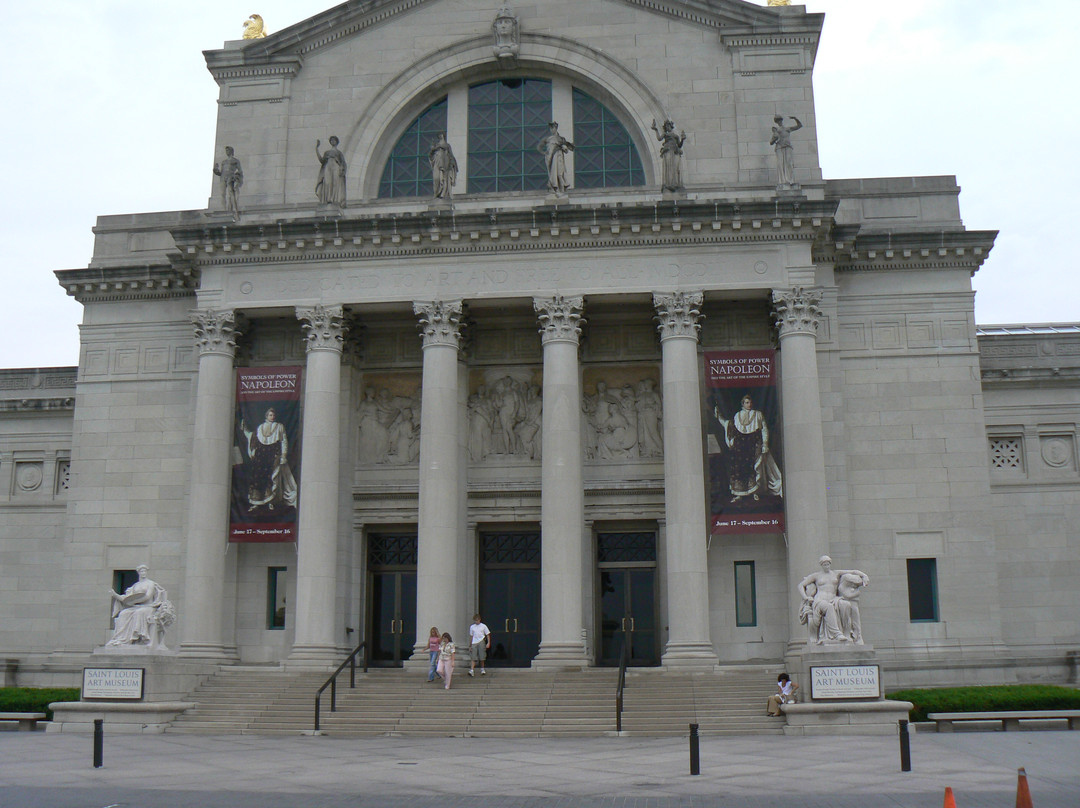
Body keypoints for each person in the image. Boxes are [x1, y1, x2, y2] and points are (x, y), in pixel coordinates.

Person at [714, 394, 783, 503]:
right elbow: (729, 426)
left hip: (754, 444)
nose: (749, 404)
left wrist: (765, 443)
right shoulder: (737, 415)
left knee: (755, 469)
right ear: (743, 404)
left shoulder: (758, 415)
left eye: (750, 402)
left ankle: (755, 493)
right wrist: (719, 418)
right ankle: (739, 495)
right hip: (741, 447)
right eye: (746, 402)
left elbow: (764, 429)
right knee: (739, 471)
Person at [797, 556, 870, 644]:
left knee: (845, 605)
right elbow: (801, 585)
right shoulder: (816, 576)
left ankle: (847, 634)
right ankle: (837, 634)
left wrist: (864, 576)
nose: (826, 566)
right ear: (821, 565)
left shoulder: (836, 573)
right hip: (820, 600)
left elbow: (853, 571)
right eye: (824, 564)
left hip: (834, 599)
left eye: (828, 564)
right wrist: (806, 597)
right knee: (828, 607)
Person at [240, 407, 298, 512]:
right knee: (258, 479)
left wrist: (283, 455)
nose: (272, 417)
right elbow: (253, 438)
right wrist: (245, 430)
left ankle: (271, 502)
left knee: (272, 478)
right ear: (266, 416)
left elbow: (283, 441)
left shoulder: (279, 427)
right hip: (261, 456)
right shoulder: (260, 427)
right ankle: (256, 503)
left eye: (273, 415)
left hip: (273, 454)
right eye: (270, 415)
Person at [105, 565, 175, 649]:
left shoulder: (150, 584)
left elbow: (147, 596)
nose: (143, 573)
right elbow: (126, 599)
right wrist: (115, 595)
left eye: (145, 571)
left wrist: (135, 601)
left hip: (149, 607)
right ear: (138, 573)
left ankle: (140, 637)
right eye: (142, 571)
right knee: (124, 613)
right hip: (136, 607)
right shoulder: (135, 586)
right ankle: (121, 639)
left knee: (140, 612)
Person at [537, 122, 574, 194]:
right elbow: (539, 147)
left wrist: (564, 148)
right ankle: (555, 187)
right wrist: (544, 153)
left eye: (553, 128)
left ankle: (561, 188)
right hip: (551, 158)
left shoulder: (561, 139)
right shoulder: (547, 139)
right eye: (550, 128)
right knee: (553, 172)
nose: (551, 130)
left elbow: (567, 150)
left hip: (559, 157)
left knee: (560, 173)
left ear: (556, 128)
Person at [650, 118, 686, 191]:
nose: (667, 127)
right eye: (666, 126)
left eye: (668, 126)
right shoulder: (665, 134)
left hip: (675, 151)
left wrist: (682, 139)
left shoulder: (676, 136)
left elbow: (679, 145)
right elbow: (659, 138)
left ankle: (674, 183)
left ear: (671, 126)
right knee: (669, 166)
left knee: (674, 167)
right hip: (668, 150)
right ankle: (669, 184)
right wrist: (656, 130)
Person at [770, 114, 802, 188]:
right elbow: (771, 142)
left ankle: (790, 180)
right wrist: (775, 138)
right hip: (779, 147)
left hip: (787, 147)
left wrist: (795, 118)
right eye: (777, 121)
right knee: (780, 164)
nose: (779, 122)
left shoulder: (787, 129)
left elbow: (799, 126)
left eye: (780, 120)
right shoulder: (776, 131)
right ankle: (782, 181)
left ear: (781, 121)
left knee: (789, 163)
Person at [213, 145, 243, 221]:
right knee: (222, 194)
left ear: (231, 151)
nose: (227, 152)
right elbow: (221, 172)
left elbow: (239, 171)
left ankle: (235, 210)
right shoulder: (224, 162)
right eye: (226, 151)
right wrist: (216, 170)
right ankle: (224, 209)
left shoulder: (235, 161)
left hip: (230, 177)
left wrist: (237, 177)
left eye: (228, 150)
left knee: (231, 194)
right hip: (223, 177)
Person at [315, 136, 347, 206]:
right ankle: (328, 198)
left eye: (334, 140)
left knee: (335, 182)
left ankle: (335, 199)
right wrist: (317, 149)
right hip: (328, 166)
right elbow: (322, 160)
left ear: (337, 142)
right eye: (331, 140)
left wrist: (342, 170)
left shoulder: (339, 153)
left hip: (335, 166)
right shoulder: (327, 153)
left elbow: (343, 163)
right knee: (327, 182)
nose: (333, 141)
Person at [428, 133, 458, 199]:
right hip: (437, 164)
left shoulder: (447, 146)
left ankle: (443, 193)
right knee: (436, 179)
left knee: (444, 179)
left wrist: (452, 163)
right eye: (439, 135)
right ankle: (436, 193)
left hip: (444, 164)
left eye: (442, 135)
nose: (440, 136)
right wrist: (433, 149)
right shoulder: (436, 146)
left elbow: (451, 155)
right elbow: (430, 155)